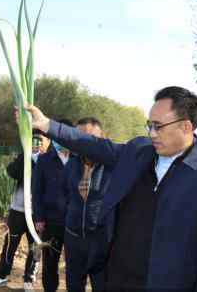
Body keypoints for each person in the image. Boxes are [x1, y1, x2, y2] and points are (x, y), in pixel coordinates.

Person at [25, 86, 197, 290]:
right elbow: (92, 144)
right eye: (149, 125)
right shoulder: (139, 152)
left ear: (186, 127)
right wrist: (47, 125)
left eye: (158, 126)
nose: (152, 133)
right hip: (117, 279)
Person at [0, 130, 48, 291]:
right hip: (18, 210)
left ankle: (29, 280)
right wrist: (27, 156)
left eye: (40, 139)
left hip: (38, 214)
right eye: (34, 139)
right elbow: (11, 172)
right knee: (10, 244)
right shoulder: (23, 157)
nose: (37, 143)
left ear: (47, 142)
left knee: (35, 248)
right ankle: (2, 276)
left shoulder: (49, 161)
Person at [62, 117, 113, 292]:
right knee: (74, 285)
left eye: (90, 139)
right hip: (73, 239)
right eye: (80, 138)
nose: (85, 144)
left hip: (101, 242)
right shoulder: (71, 164)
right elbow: (66, 196)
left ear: (103, 138)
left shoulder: (113, 166)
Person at [32, 119, 74, 292]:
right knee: (50, 262)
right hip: (51, 221)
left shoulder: (80, 158)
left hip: (75, 222)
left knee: (74, 264)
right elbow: (37, 191)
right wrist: (39, 218)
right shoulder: (44, 160)